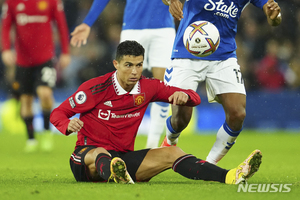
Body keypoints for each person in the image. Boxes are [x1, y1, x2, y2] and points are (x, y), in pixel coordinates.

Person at [50, 40, 262, 184]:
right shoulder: (95, 88)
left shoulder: (148, 87)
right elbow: (58, 113)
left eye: (139, 65)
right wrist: (66, 125)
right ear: (116, 64)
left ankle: (231, 176)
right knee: (100, 153)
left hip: (123, 159)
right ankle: (115, 175)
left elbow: (194, 96)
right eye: (128, 65)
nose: (134, 71)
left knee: (172, 152)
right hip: (85, 158)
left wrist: (186, 97)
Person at [160, 0, 281, 165]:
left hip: (224, 56)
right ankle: (169, 141)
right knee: (181, 118)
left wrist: (274, 16)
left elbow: (273, 15)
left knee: (238, 114)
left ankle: (209, 165)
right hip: (187, 52)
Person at [70, 0, 176, 148]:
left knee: (163, 85)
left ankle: (151, 146)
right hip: (133, 27)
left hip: (164, 28)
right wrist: (88, 22)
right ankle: (114, 141)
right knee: (122, 85)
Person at [1, 0, 71, 152]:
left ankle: (46, 132)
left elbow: (61, 25)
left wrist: (66, 52)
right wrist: (6, 49)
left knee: (45, 93)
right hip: (22, 61)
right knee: (26, 100)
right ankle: (31, 139)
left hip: (45, 58)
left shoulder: (51, 1)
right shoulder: (12, 2)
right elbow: (5, 26)